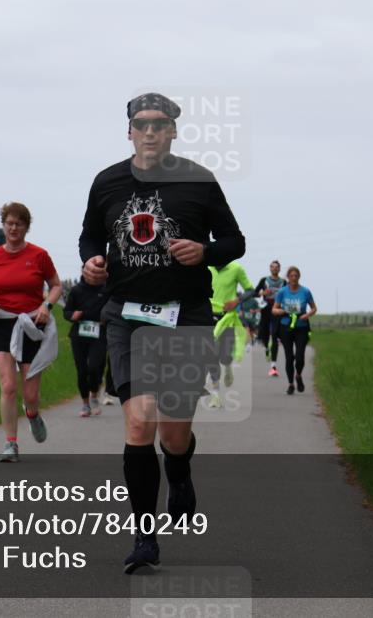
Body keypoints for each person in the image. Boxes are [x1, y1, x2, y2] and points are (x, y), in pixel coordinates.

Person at [79, 92, 245, 573]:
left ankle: (179, 466)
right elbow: (91, 235)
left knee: (174, 433)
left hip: (187, 314)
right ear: (128, 131)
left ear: (173, 130)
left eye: (159, 123)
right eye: (141, 123)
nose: (149, 131)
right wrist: (91, 262)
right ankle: (145, 536)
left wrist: (206, 252)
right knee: (139, 421)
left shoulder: (199, 180)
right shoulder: (106, 182)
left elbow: (234, 240)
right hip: (127, 314)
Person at [0, 202, 62, 462]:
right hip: (1, 323)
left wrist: (47, 305)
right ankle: (10, 444)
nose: (13, 228)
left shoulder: (39, 255)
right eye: (9, 223)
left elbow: (56, 285)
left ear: (26, 227)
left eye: (19, 224)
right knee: (9, 386)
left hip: (32, 325)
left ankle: (32, 414)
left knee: (30, 394)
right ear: (3, 225)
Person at [207, 260, 255, 407]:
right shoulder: (205, 267)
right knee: (210, 355)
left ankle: (227, 366)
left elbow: (250, 290)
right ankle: (215, 394)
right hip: (207, 315)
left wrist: (237, 301)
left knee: (225, 355)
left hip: (227, 317)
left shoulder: (236, 268)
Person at [63, 277, 109, 416]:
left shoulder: (106, 289)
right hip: (79, 333)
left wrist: (107, 318)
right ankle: (85, 404)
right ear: (85, 272)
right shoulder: (76, 290)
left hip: (99, 332)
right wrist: (72, 315)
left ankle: (94, 395)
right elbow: (66, 312)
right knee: (82, 370)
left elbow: (113, 308)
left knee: (95, 367)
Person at [272, 266, 318, 395]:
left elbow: (314, 308)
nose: (294, 278)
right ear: (288, 277)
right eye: (291, 276)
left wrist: (307, 315)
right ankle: (291, 384)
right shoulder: (282, 292)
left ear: (299, 277)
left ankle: (298, 375)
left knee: (299, 357)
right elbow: (274, 309)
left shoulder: (305, 292)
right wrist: (280, 311)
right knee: (289, 357)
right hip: (286, 325)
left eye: (296, 276)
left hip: (301, 326)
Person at [255, 260, 285, 376]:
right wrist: (263, 293)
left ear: (279, 269)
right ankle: (267, 349)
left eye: (277, 267)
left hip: (277, 309)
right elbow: (254, 293)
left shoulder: (284, 282)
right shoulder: (264, 280)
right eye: (272, 267)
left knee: (275, 334)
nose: (274, 269)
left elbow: (288, 294)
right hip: (266, 308)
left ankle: (273, 365)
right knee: (265, 334)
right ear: (270, 269)